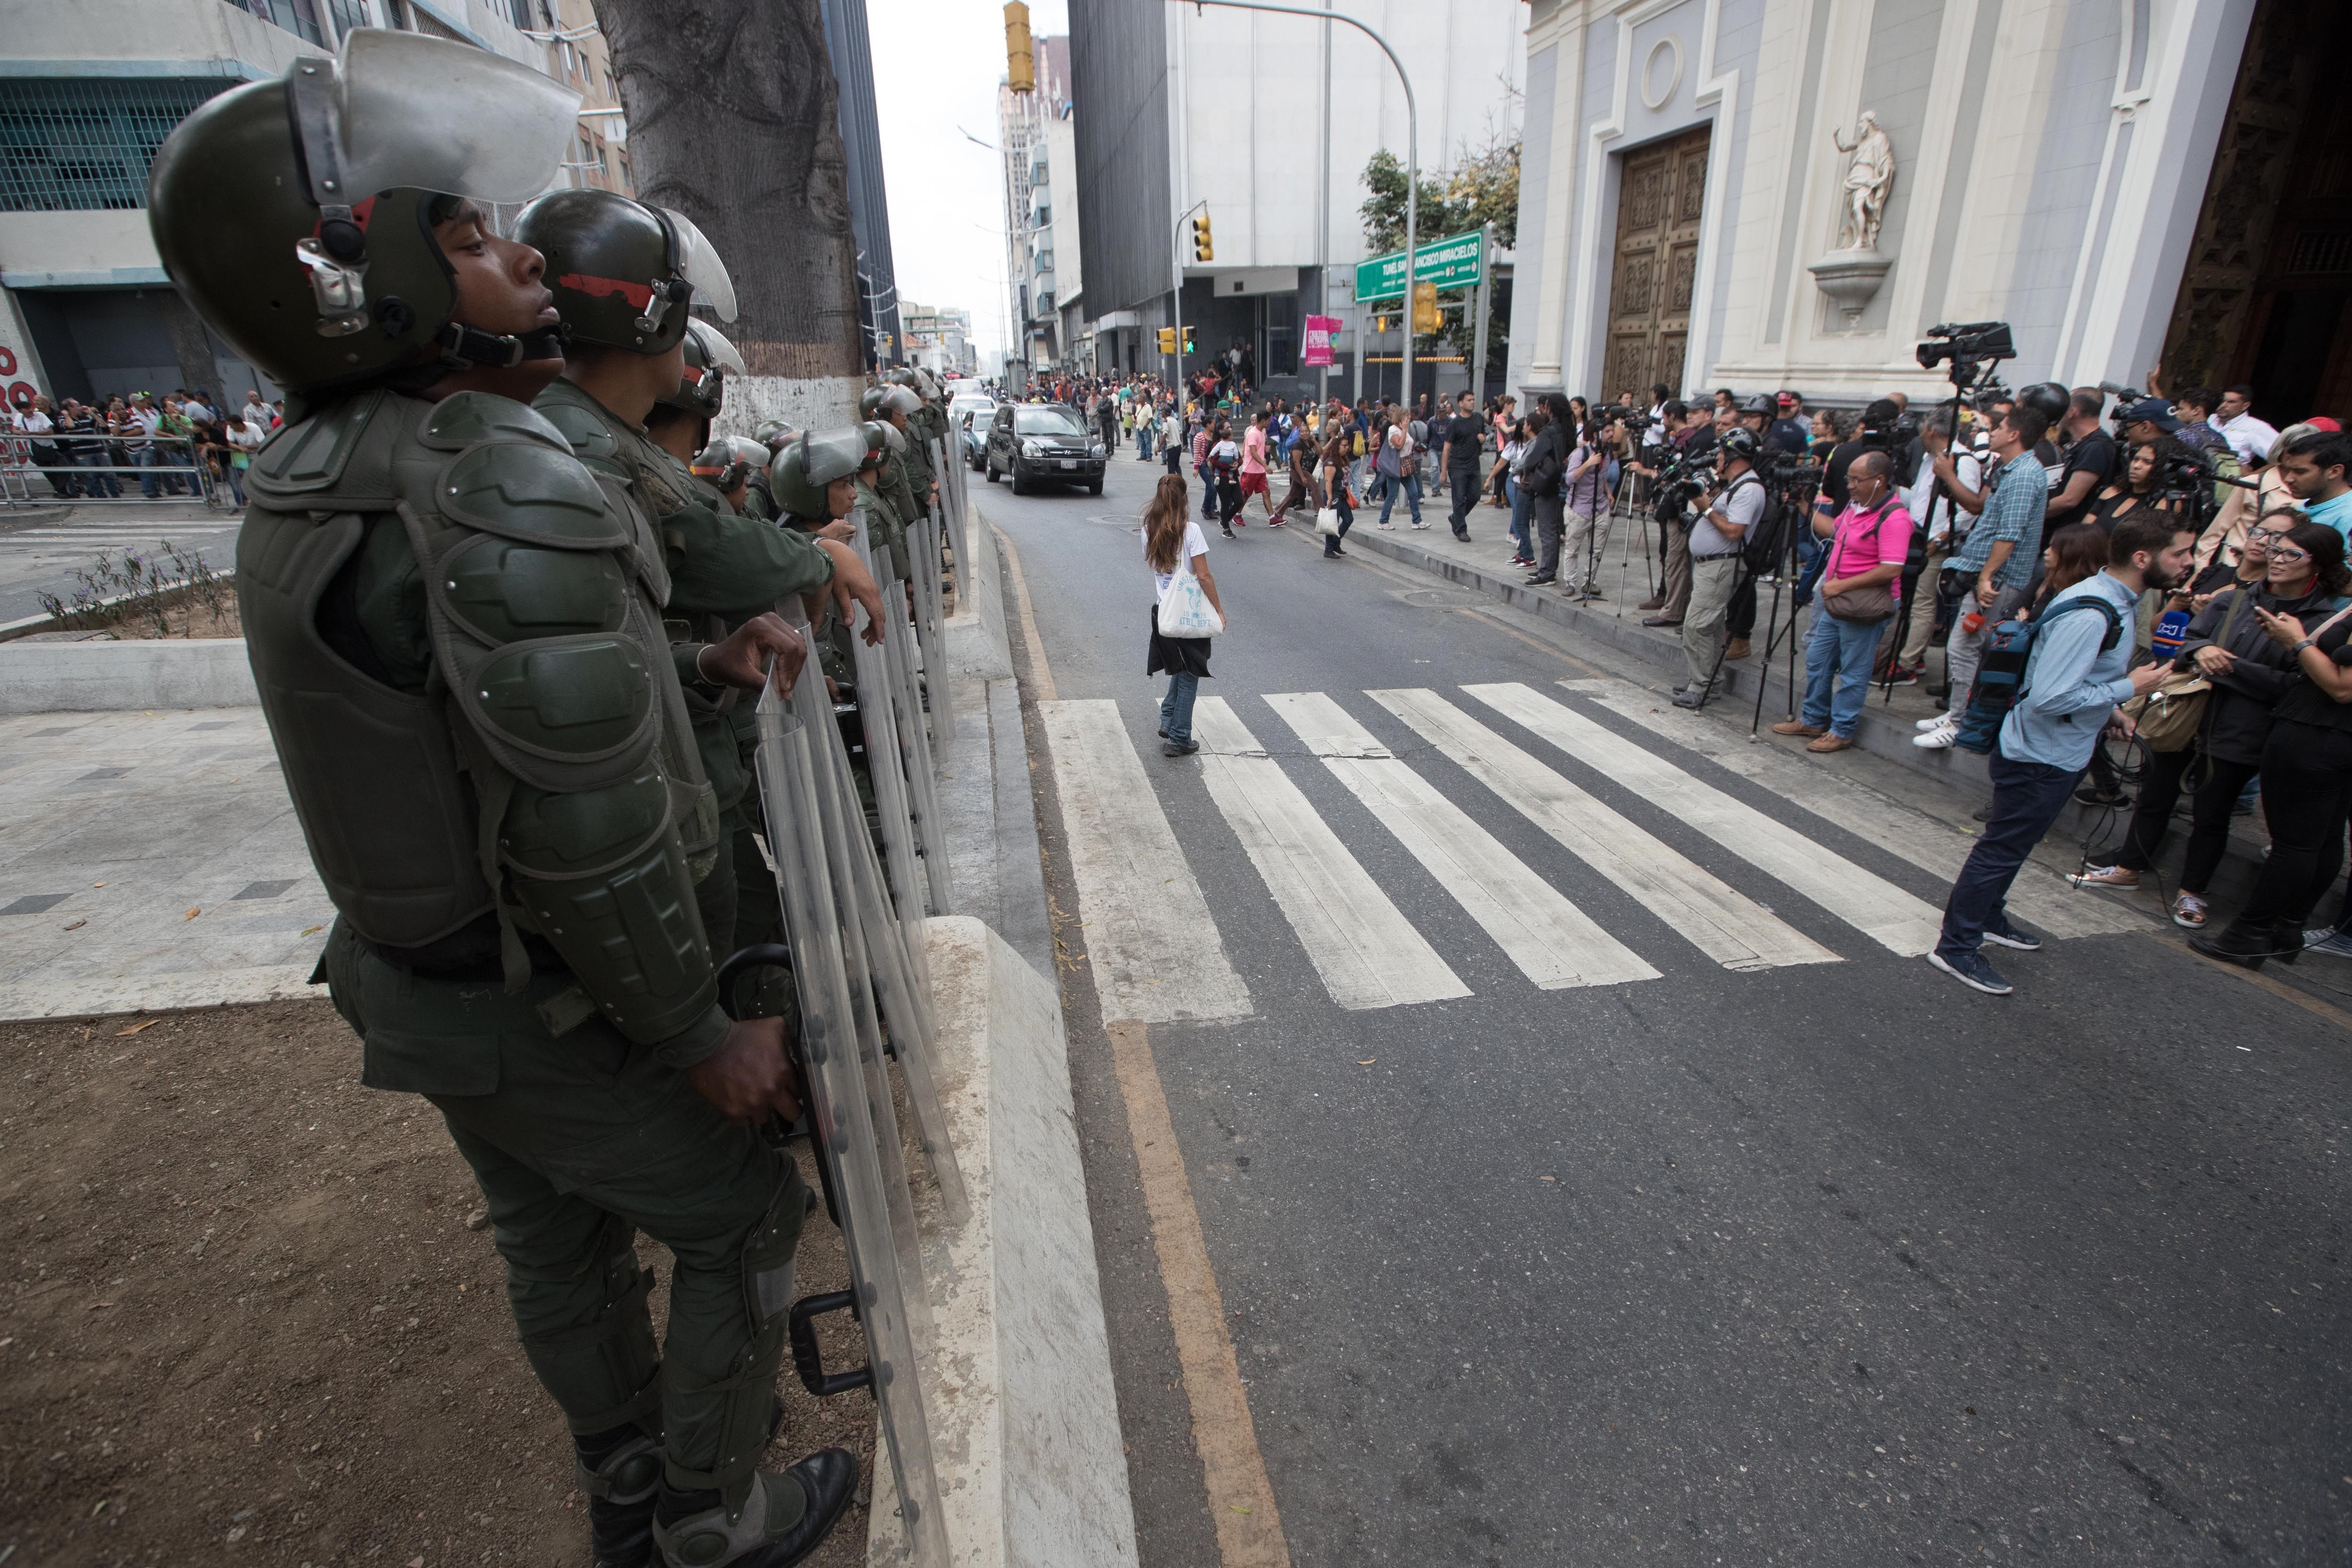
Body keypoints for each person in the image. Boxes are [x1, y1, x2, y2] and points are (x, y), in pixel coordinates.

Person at [146, 40, 863, 1568]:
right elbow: (589, 826)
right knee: (738, 1214)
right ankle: (706, 1520)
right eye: (469, 236)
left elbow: (465, 699)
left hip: (423, 983)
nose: (517, 248)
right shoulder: (485, 471)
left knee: (555, 1230)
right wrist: (693, 1033)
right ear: (358, 277)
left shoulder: (311, 465)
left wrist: (685, 646)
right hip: (535, 999)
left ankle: (622, 1483)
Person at [1927, 515, 2192, 993]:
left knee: (2014, 846)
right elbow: (2048, 696)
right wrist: (2127, 687)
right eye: (2180, 554)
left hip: (2060, 750)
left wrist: (2109, 710)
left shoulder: (2113, 600)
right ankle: (1955, 947)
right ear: (2142, 558)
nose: (2189, 563)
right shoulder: (2092, 611)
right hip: (2039, 754)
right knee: (2000, 849)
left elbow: (2065, 680)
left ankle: (1987, 918)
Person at [2071, 514, 2344, 928]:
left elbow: (2298, 686)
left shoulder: (2320, 620)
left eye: (2292, 553)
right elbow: (2183, 641)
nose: (2278, 559)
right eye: (2274, 548)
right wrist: (2199, 652)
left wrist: (2230, 667)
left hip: (2245, 728)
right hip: (2187, 714)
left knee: (2212, 814)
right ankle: (2128, 868)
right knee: (2155, 795)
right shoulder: (2235, 598)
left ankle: (2193, 892)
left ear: (2318, 564)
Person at [2190, 557, 2352, 967]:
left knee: (2297, 843)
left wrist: (2296, 641)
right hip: (2324, 734)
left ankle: (2250, 934)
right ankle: (2284, 930)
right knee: (2321, 838)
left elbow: (2341, 687)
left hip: (2320, 735)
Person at [1916, 405, 2051, 750]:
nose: (1992, 431)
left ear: (2015, 434)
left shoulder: (2023, 475)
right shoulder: (2008, 468)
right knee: (1966, 646)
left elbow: (2010, 533)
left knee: (1965, 647)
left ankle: (1960, 722)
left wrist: (1987, 576)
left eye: (2000, 426)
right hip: (1984, 572)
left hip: (1999, 579)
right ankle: (1957, 714)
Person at [1772, 449, 1912, 750]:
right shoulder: (1856, 506)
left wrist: (1841, 586)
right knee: (1819, 658)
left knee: (1853, 670)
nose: (1849, 485)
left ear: (1880, 481)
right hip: (1838, 600)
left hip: (1863, 604)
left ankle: (1842, 729)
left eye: (1857, 480)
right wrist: (1805, 507)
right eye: (1849, 479)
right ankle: (1813, 719)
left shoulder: (1895, 517)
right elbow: (1836, 531)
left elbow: (1892, 568)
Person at [1675, 427, 1765, 708]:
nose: (1717, 459)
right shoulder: (1734, 484)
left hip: (1722, 566)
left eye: (1722, 454)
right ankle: (1708, 684)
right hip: (1710, 565)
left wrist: (1706, 509)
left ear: (1733, 456)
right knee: (1711, 628)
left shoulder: (1749, 489)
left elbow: (1735, 532)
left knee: (1696, 627)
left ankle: (1700, 687)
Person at [1144, 474, 1224, 754]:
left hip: (1162, 613)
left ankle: (1169, 717)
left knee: (1180, 668)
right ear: (1184, 500)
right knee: (1191, 672)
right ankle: (1179, 737)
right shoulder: (1191, 531)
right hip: (1188, 614)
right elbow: (1203, 575)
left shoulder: (1148, 528)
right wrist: (1219, 610)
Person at [1554, 420, 1614, 597]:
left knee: (1596, 550)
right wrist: (1588, 464)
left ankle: (1590, 581)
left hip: (1601, 508)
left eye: (1612, 430)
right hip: (1579, 509)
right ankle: (1570, 582)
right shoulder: (1580, 453)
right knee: (1573, 549)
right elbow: (1570, 479)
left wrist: (1608, 493)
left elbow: (1602, 477)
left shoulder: (1608, 453)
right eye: (1608, 431)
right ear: (1597, 434)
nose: (1612, 434)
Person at [2274, 426, 2352, 545]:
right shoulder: (2308, 504)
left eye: (2300, 472)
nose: (2288, 479)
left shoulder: (2348, 517)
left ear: (2334, 471)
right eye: (2288, 470)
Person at [2211, 385, 2280, 470]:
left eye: (2231, 402)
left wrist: (2252, 476)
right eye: (2222, 401)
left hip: (2228, 479)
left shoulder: (2257, 427)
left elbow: (2283, 458)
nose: (2223, 405)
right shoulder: (2209, 419)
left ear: (2245, 406)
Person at [1375, 421, 1423, 530]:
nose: (1408, 419)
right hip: (1396, 467)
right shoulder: (1393, 430)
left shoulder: (1403, 429)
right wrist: (1405, 430)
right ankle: (1383, 521)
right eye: (1406, 417)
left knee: (1414, 493)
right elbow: (1399, 445)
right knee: (1392, 495)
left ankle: (1417, 520)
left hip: (1406, 466)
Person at [1240, 407, 1275, 524]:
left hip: (1259, 471)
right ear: (1264, 421)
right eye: (1269, 421)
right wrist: (1266, 465)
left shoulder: (1261, 433)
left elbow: (1258, 450)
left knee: (1266, 493)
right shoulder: (1253, 433)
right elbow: (1253, 453)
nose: (1270, 423)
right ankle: (1237, 514)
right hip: (1251, 470)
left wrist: (1265, 449)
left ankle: (1273, 519)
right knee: (1245, 495)